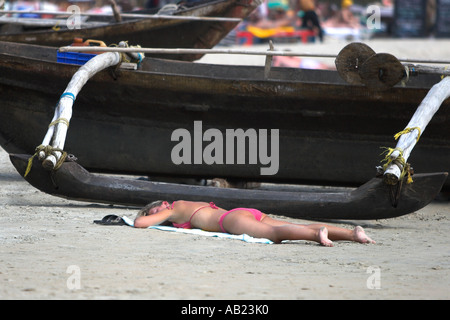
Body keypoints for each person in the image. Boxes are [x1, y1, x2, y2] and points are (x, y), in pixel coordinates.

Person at [134, 200, 375, 247]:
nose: (155, 213)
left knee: (274, 234)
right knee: (278, 225)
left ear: (163, 203)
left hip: (230, 220)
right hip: (245, 212)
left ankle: (315, 235)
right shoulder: (181, 206)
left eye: (154, 209)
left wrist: (141, 216)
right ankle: (352, 234)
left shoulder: (172, 209)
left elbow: (140, 224)